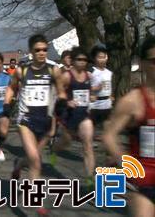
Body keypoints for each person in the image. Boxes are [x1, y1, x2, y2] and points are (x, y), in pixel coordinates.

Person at [5, 34, 66, 217]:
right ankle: (37, 205)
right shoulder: (21, 71)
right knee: (35, 159)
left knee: (33, 158)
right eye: (37, 50)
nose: (41, 53)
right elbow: (11, 88)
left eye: (44, 50)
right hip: (26, 120)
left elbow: (61, 92)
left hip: (45, 122)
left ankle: (18, 166)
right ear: (31, 52)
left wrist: (62, 104)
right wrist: (8, 104)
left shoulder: (53, 70)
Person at [102, 36, 155, 217]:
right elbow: (109, 135)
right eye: (154, 61)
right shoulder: (133, 101)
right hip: (145, 180)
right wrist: (126, 163)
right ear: (143, 63)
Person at [50, 47, 96, 188]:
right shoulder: (67, 76)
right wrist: (66, 101)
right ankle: (54, 150)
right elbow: (56, 92)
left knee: (87, 145)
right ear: (73, 60)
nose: (82, 62)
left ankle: (90, 179)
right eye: (79, 59)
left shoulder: (89, 76)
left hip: (83, 115)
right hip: (69, 115)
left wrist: (92, 96)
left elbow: (91, 91)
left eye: (85, 60)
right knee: (66, 142)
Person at [89, 45, 113, 132]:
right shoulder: (91, 71)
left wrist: (110, 96)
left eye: (104, 57)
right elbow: (83, 87)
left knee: (108, 128)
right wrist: (95, 88)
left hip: (107, 104)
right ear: (94, 58)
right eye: (100, 57)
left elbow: (109, 86)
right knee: (91, 128)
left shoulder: (109, 72)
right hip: (95, 104)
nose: (103, 59)